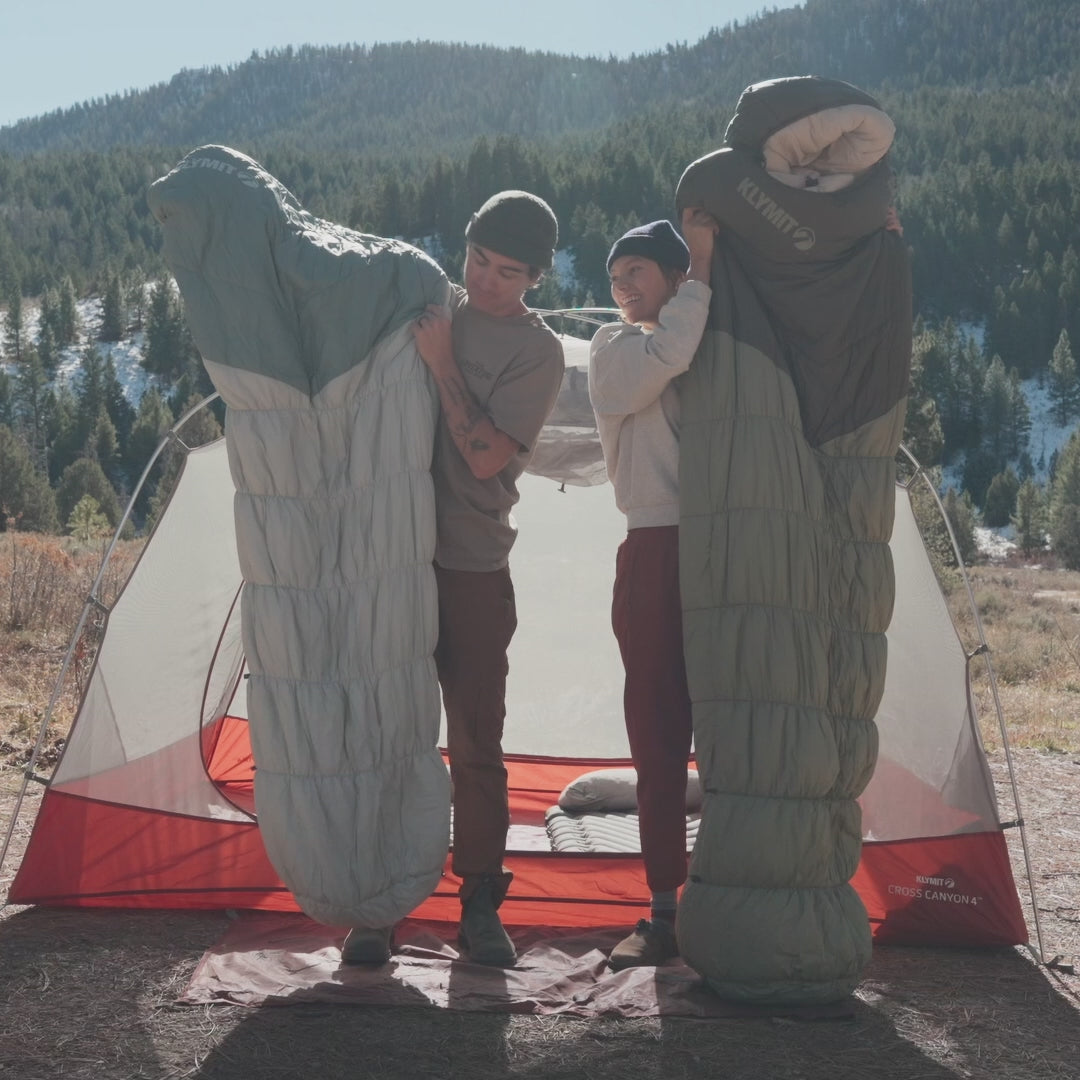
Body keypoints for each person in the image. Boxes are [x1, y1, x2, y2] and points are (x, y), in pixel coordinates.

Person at [343, 191, 565, 967]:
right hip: (391, 554)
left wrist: (441, 365)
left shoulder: (538, 352)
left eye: (507, 272)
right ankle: (376, 905)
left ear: (536, 277)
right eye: (477, 260)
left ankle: (478, 907)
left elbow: (484, 456)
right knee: (387, 732)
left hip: (472, 563)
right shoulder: (429, 306)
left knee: (474, 742)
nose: (486, 281)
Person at [587, 212, 716, 969]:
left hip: (723, 544)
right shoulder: (615, 349)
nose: (621, 287)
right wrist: (703, 269)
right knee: (659, 728)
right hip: (656, 544)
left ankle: (732, 895)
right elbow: (669, 349)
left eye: (636, 270)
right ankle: (664, 908)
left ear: (670, 276)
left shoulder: (713, 344)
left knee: (731, 722)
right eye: (614, 276)